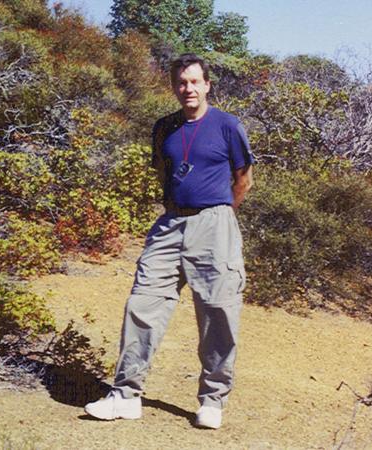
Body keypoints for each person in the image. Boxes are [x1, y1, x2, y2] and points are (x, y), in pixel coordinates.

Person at [84, 53, 255, 429]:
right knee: (142, 304)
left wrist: (221, 215)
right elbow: (165, 173)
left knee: (218, 313)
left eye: (195, 82)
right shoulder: (164, 128)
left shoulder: (227, 125)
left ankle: (212, 400)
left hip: (215, 226)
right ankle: (126, 395)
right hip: (169, 224)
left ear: (207, 84)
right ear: (173, 86)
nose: (188, 89)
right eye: (181, 82)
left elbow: (243, 180)